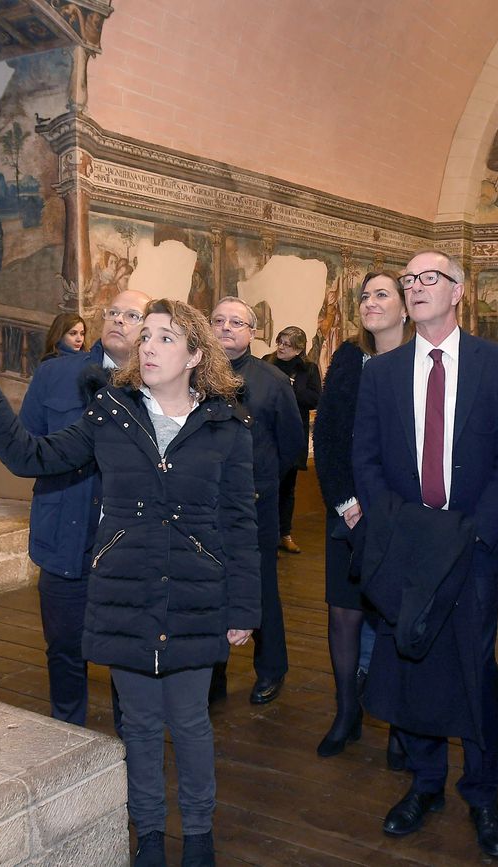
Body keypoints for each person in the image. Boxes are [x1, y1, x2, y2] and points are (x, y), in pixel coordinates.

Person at [0, 299, 261, 867]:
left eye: (166, 338)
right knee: (139, 724)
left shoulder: (226, 428)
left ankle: (197, 837)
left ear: (195, 355)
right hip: (124, 590)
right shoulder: (110, 414)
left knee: (191, 722)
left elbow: (240, 524)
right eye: (147, 337)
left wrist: (243, 607)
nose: (148, 347)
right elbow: (29, 455)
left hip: (195, 595)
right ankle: (147, 836)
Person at [353, 249, 498, 860]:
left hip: (472, 546)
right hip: (407, 548)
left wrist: (477, 530)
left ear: (459, 291)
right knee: (412, 661)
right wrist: (394, 531)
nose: (417, 287)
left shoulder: (496, 362)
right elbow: (366, 459)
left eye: (431, 278)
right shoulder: (382, 370)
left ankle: (482, 792)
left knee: (475, 669)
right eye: (409, 280)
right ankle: (425, 783)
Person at [19, 290, 149, 727]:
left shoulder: (158, 386)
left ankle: (131, 744)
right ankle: (66, 734)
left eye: (132, 315)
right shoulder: (56, 375)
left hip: (129, 547)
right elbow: (31, 443)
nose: (118, 320)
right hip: (64, 536)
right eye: (113, 312)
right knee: (63, 648)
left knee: (127, 656)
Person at [311, 272, 411, 759]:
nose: (371, 302)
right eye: (365, 295)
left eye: (382, 294)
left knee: (395, 618)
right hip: (349, 510)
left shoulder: (422, 358)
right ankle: (347, 711)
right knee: (344, 614)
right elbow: (328, 436)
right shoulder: (350, 358)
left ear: (405, 306)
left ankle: (399, 723)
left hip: (404, 513)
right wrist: (346, 504)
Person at [211, 296, 305, 705]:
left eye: (237, 322)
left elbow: (291, 446)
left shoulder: (271, 381)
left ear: (252, 332)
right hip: (202, 505)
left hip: (255, 503)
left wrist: (261, 482)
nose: (226, 327)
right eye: (218, 320)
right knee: (209, 588)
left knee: (262, 588)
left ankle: (271, 669)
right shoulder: (190, 373)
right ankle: (211, 677)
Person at [263, 326, 321, 555]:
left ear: (299, 349)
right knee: (267, 487)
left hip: (292, 434)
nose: (281, 347)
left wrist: (291, 388)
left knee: (287, 488)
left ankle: (284, 534)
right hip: (267, 434)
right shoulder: (266, 362)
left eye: (288, 344)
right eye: (280, 341)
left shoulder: (308, 368)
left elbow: (315, 398)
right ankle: (267, 536)